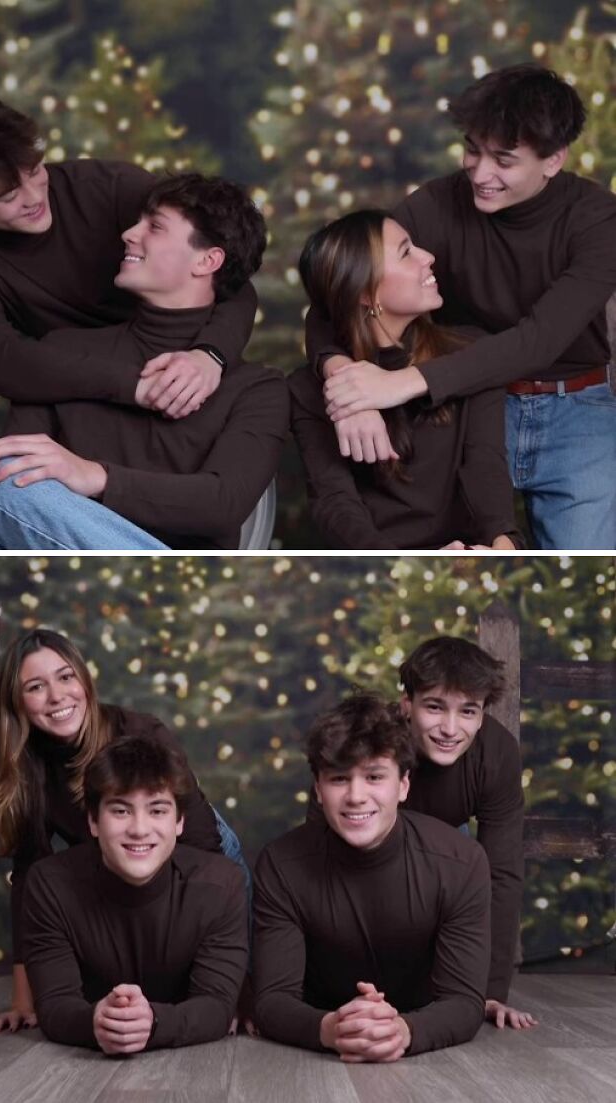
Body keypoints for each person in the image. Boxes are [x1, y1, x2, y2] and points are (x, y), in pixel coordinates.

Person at [306, 64, 616, 550]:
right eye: (473, 149)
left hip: (575, 410)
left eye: (504, 160)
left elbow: (538, 340)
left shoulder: (598, 219)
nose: (480, 172)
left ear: (553, 160)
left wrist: (395, 385)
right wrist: (347, 387)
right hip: (454, 411)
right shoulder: (434, 205)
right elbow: (339, 292)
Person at [0, 172, 288, 550]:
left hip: (178, 577)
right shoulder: (61, 353)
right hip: (65, 573)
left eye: (155, 227)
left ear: (208, 260)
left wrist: (95, 477)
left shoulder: (259, 388)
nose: (129, 233)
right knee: (6, 482)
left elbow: (223, 503)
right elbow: (17, 474)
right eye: (138, 222)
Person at [0, 628, 245, 1034]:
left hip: (199, 843)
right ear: (18, 703)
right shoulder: (28, 770)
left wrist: (217, 1002)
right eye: (35, 686)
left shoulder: (140, 731)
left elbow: (203, 850)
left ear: (84, 680)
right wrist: (22, 1001)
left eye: (66, 677)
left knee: (218, 970)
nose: (57, 696)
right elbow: (28, 877)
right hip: (109, 852)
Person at [0, 94, 256, 419]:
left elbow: (231, 272)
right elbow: (1, 361)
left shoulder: (109, 186)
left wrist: (210, 355)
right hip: (83, 410)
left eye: (35, 170)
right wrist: (137, 387)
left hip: (192, 378)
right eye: (8, 196)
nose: (35, 196)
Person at [253, 694, 492, 1060]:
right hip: (322, 1022)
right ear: (318, 789)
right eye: (339, 778)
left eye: (374, 776)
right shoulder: (281, 864)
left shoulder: (460, 863)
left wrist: (403, 1031)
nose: (356, 796)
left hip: (420, 1022)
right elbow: (272, 1000)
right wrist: (330, 1029)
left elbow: (464, 1001)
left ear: (403, 785)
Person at [290, 209, 522, 549]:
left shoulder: (470, 354)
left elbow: (484, 464)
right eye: (406, 252)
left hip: (465, 556)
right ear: (366, 294)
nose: (428, 257)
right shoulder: (306, 389)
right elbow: (335, 502)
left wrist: (504, 542)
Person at [20, 734, 248, 1051]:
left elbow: (217, 1006)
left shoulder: (221, 885)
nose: (139, 829)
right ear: (93, 821)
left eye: (157, 811)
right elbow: (55, 1003)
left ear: (179, 821)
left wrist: (153, 1022)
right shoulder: (49, 884)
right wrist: (95, 1022)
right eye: (121, 811)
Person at [399, 636, 537, 1031]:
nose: (450, 728)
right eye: (434, 707)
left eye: (467, 712)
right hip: (375, 845)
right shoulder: (372, 741)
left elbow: (503, 872)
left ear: (481, 715)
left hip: (445, 841)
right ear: (407, 704)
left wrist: (489, 992)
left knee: (468, 860)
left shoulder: (496, 753)